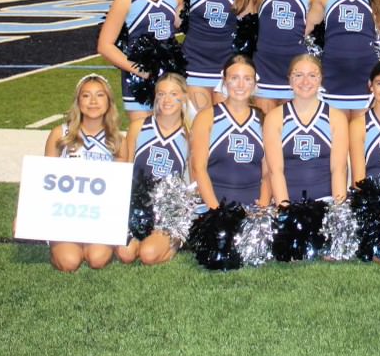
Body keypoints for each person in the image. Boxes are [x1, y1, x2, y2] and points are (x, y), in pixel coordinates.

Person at [44, 73, 124, 272]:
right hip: (64, 215)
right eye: (86, 96)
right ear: (78, 102)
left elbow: (121, 188)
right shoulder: (60, 134)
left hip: (98, 216)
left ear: (109, 102)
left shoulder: (117, 140)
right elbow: (43, 179)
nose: (93, 102)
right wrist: (28, 213)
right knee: (69, 262)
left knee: (97, 259)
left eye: (100, 95)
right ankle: (58, 248)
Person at [97, 0, 182, 119]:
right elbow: (105, 45)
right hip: (139, 79)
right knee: (141, 137)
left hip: (169, 77)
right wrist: (138, 69)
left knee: (170, 137)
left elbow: (183, 29)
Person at [116, 73, 190, 265]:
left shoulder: (191, 133)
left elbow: (193, 180)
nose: (167, 100)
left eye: (174, 94)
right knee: (125, 254)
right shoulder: (139, 126)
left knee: (148, 255)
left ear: (184, 96)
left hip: (169, 209)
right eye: (161, 93)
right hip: (137, 205)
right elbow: (124, 169)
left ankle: (174, 242)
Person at [251, 0, 321, 114]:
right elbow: (246, 19)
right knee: (264, 129)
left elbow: (318, 29)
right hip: (264, 65)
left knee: (291, 131)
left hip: (296, 68)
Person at [263, 54, 349, 203]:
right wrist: (284, 209)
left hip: (326, 202)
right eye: (298, 75)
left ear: (321, 79)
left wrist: (338, 209)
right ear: (289, 79)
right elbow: (275, 171)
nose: (305, 81)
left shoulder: (336, 117)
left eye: (312, 75)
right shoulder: (274, 117)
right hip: (289, 204)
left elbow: (339, 170)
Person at [189, 55, 270, 209]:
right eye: (234, 78)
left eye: (247, 79)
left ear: (254, 83)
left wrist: (263, 207)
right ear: (225, 81)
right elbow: (198, 168)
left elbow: (268, 173)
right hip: (212, 206)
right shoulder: (207, 117)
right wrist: (216, 211)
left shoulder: (264, 120)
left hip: (253, 207)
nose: (241, 85)